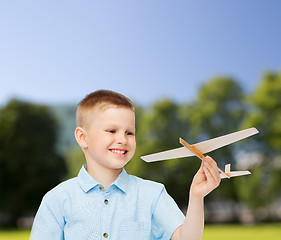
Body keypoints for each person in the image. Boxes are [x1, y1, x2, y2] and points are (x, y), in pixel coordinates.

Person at [30, 90, 221, 240]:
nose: (122, 139)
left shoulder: (152, 194)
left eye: (129, 133)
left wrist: (196, 196)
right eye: (112, 130)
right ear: (83, 137)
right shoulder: (57, 199)